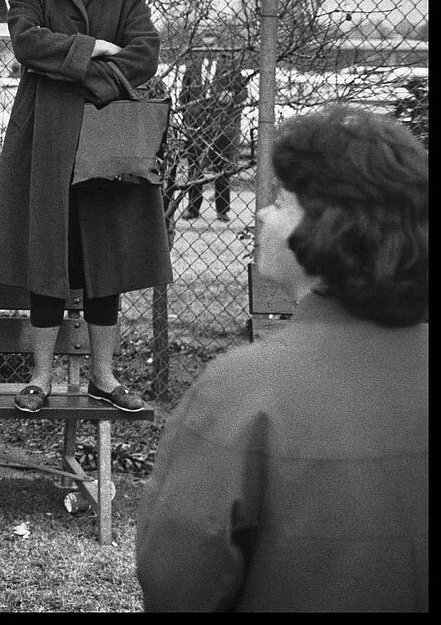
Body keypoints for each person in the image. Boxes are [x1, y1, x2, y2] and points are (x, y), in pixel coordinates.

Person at [136, 106, 428, 611]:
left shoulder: (242, 389)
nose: (262, 214)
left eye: (280, 200)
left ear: (327, 228)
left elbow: (178, 579)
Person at [0, 0, 171, 415]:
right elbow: (27, 42)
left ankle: (104, 377)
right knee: (49, 254)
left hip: (107, 134)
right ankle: (39, 378)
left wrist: (87, 71)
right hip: (46, 136)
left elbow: (145, 53)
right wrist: (97, 49)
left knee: (103, 254)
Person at [180, 34, 248, 222]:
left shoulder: (231, 66)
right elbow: (183, 95)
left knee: (221, 168)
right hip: (197, 125)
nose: (210, 47)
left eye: (213, 43)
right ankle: (193, 208)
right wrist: (189, 117)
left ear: (218, 45)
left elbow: (243, 92)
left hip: (221, 124)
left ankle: (222, 209)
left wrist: (231, 96)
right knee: (195, 167)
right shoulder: (192, 65)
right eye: (206, 43)